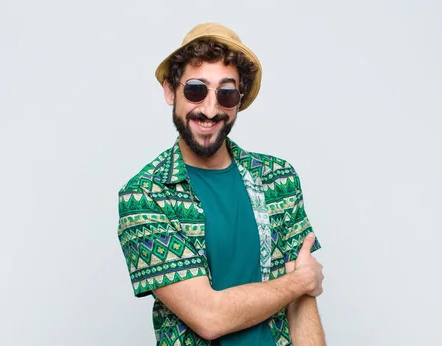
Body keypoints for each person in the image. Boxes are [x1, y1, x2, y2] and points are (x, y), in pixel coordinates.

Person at [117, 22, 326, 346]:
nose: (210, 109)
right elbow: (209, 317)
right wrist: (300, 281)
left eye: (226, 93)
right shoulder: (144, 196)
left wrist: (300, 286)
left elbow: (302, 307)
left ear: (239, 100)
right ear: (170, 89)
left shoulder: (278, 179)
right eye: (196, 89)